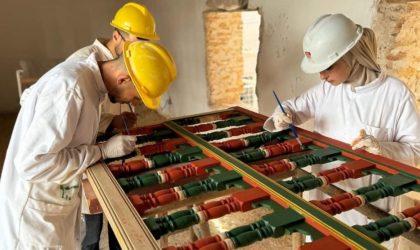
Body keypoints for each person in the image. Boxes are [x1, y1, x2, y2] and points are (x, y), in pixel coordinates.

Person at [0, 40, 176, 249]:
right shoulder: (70, 87)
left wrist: (109, 125)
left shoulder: (89, 84)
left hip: (57, 200)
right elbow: (33, 163)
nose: (134, 102)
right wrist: (102, 151)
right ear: (123, 79)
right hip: (35, 219)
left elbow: (70, 128)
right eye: (136, 96)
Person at [264, 13, 420, 242]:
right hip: (323, 199)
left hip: (369, 211)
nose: (322, 75)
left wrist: (383, 149)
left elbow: (416, 151)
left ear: (352, 56)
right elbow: (292, 108)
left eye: (327, 67)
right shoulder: (327, 90)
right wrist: (282, 115)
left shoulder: (394, 94)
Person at [67, 2, 161, 135]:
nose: (138, 52)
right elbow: (74, 121)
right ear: (116, 36)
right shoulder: (81, 63)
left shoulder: (129, 62)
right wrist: (111, 121)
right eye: (133, 46)